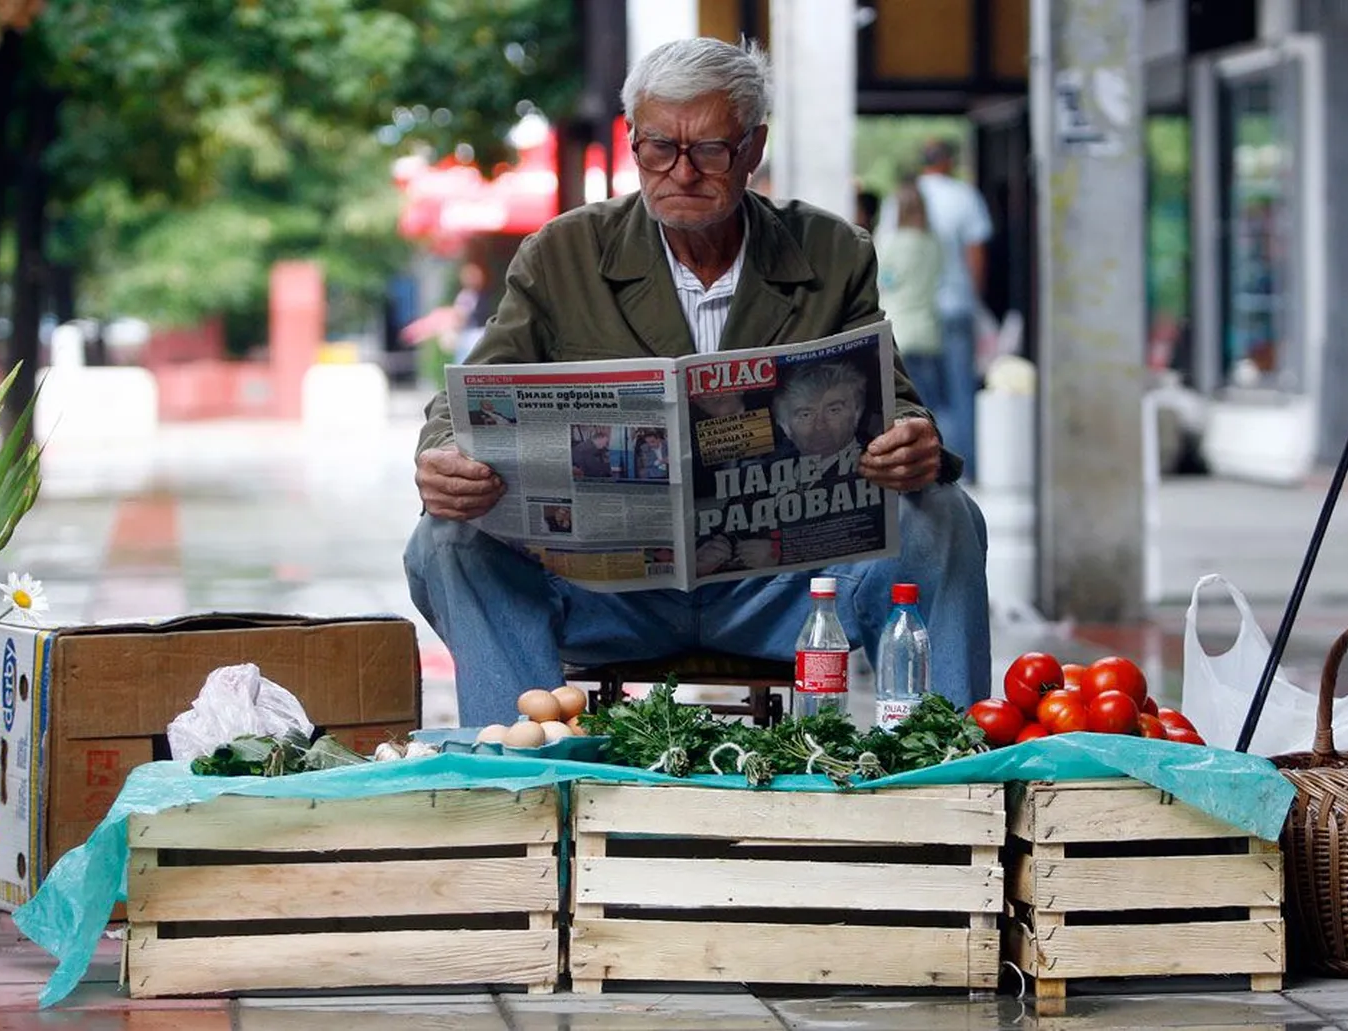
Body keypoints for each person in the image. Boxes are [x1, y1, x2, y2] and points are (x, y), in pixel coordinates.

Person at [405, 37, 990, 726]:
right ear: (631, 143)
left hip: (785, 593)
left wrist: (915, 444)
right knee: (448, 538)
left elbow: (898, 408)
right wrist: (444, 453)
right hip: (614, 597)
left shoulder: (831, 253)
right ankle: (527, 764)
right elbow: (471, 395)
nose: (681, 172)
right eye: (659, 147)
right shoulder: (563, 254)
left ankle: (952, 763)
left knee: (944, 513)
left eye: (710, 149)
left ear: (753, 148)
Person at [878, 139, 992, 480]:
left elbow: (884, 264)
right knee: (959, 393)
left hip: (912, 319)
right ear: (948, 162)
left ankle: (932, 466)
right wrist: (976, 300)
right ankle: (965, 466)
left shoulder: (898, 199)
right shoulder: (964, 196)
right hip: (955, 306)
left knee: (921, 397)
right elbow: (975, 256)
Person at [876, 179, 944, 418]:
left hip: (899, 333)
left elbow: (882, 282)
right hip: (928, 331)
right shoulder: (933, 243)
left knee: (908, 412)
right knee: (934, 408)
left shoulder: (889, 243)